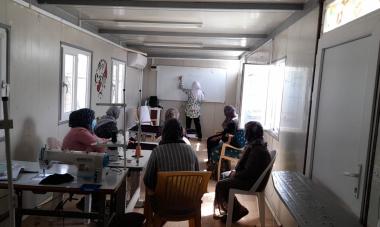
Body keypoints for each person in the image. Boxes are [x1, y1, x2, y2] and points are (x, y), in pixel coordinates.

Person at [214, 121, 271, 223]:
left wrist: (235, 173)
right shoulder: (257, 145)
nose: (244, 135)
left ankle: (237, 211)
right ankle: (236, 210)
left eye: (246, 132)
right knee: (224, 176)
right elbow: (250, 170)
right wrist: (235, 172)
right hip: (251, 179)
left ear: (250, 134)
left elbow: (248, 173)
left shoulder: (257, 150)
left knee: (220, 184)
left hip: (252, 183)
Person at [144, 118, 199, 190]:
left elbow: (148, 180)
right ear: (181, 132)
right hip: (187, 198)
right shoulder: (191, 150)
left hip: (163, 198)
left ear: (164, 133)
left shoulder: (157, 151)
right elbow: (197, 176)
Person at [179, 76, 205, 141]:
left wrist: (181, 80)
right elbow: (202, 101)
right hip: (196, 111)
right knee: (197, 124)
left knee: (188, 125)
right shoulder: (201, 93)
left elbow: (181, 88)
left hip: (189, 111)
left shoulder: (190, 92)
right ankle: (200, 137)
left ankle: (187, 137)